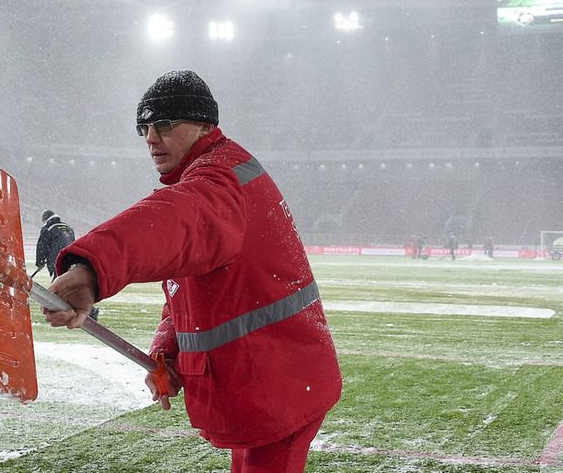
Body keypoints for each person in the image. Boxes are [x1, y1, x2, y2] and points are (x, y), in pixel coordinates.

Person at [42, 70, 342, 472]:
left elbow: (177, 222)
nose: (151, 138)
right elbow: (186, 287)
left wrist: (92, 271)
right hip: (267, 383)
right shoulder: (215, 176)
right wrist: (167, 351)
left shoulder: (219, 182)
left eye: (164, 124)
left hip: (275, 386)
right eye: (144, 127)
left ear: (204, 124)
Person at [35, 210, 75, 281]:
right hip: (71, 259)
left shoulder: (48, 228)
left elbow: (42, 247)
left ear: (45, 219)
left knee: (58, 282)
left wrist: (40, 263)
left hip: (57, 259)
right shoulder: (68, 228)